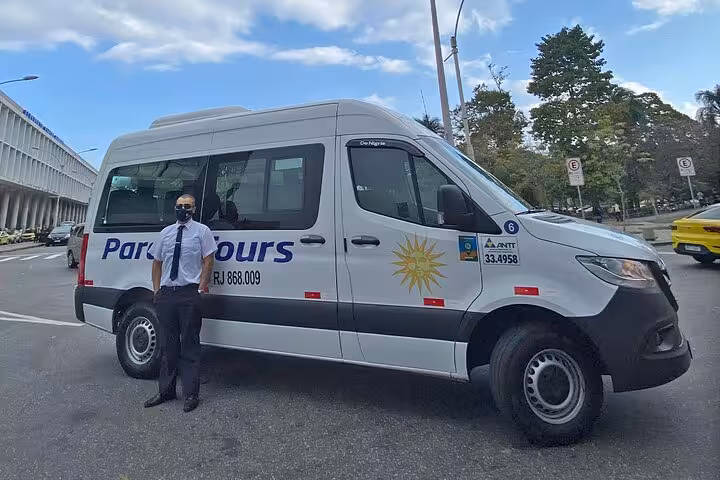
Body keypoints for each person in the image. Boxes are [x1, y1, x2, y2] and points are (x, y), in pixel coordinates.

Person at [144, 194, 217, 412]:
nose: (182, 209)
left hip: (188, 293)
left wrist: (201, 286)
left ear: (193, 209)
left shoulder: (202, 231)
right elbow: (156, 263)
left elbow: (208, 260)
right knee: (168, 345)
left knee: (190, 345)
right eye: (179, 206)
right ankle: (165, 391)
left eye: (186, 206)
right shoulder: (165, 233)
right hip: (167, 294)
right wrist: (157, 290)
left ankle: (190, 394)